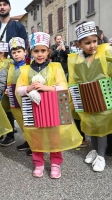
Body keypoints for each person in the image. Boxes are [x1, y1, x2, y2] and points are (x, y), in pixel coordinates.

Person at [16, 32, 83, 178]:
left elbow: (63, 88)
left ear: (48, 51)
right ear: (31, 52)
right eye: (36, 51)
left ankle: (55, 163)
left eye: (43, 51)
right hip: (33, 110)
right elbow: (19, 90)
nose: (40, 54)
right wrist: (28, 88)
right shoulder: (25, 70)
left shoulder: (56, 67)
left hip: (52, 109)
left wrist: (48, 88)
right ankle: (38, 163)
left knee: (54, 137)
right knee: (36, 137)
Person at [68, 21, 112, 172]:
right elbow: (75, 78)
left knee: (101, 126)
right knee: (92, 126)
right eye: (87, 43)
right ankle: (95, 150)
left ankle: (101, 155)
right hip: (88, 97)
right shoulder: (77, 60)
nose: (92, 45)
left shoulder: (104, 53)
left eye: (94, 41)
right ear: (79, 44)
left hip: (104, 95)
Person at [6, 37, 30, 154]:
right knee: (21, 120)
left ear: (25, 51)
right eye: (13, 52)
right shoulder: (12, 66)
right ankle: (28, 140)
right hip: (14, 95)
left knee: (30, 120)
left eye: (19, 51)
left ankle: (34, 143)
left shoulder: (29, 64)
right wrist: (7, 89)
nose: (16, 55)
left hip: (26, 96)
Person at [0, 41, 17, 146]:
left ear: (2, 53)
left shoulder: (5, 64)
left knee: (7, 114)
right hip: (0, 92)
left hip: (3, 93)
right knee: (0, 115)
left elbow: (3, 80)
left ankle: (10, 136)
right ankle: (0, 134)